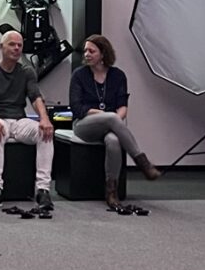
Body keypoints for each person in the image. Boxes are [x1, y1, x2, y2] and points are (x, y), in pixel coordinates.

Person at [69, 34, 163, 209]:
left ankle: (111, 191)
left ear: (103, 53)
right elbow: (77, 108)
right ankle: (142, 162)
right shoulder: (79, 75)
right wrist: (106, 117)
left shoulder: (118, 76)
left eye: (91, 51)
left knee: (113, 140)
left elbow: (122, 107)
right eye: (85, 51)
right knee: (111, 118)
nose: (87, 54)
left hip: (111, 125)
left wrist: (113, 122)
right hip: (84, 125)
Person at [0, 29, 55, 211]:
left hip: (19, 120)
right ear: (2, 47)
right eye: (12, 44)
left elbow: (35, 97)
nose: (17, 48)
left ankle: (42, 190)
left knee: (44, 132)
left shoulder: (27, 72)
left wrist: (44, 119)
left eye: (20, 45)